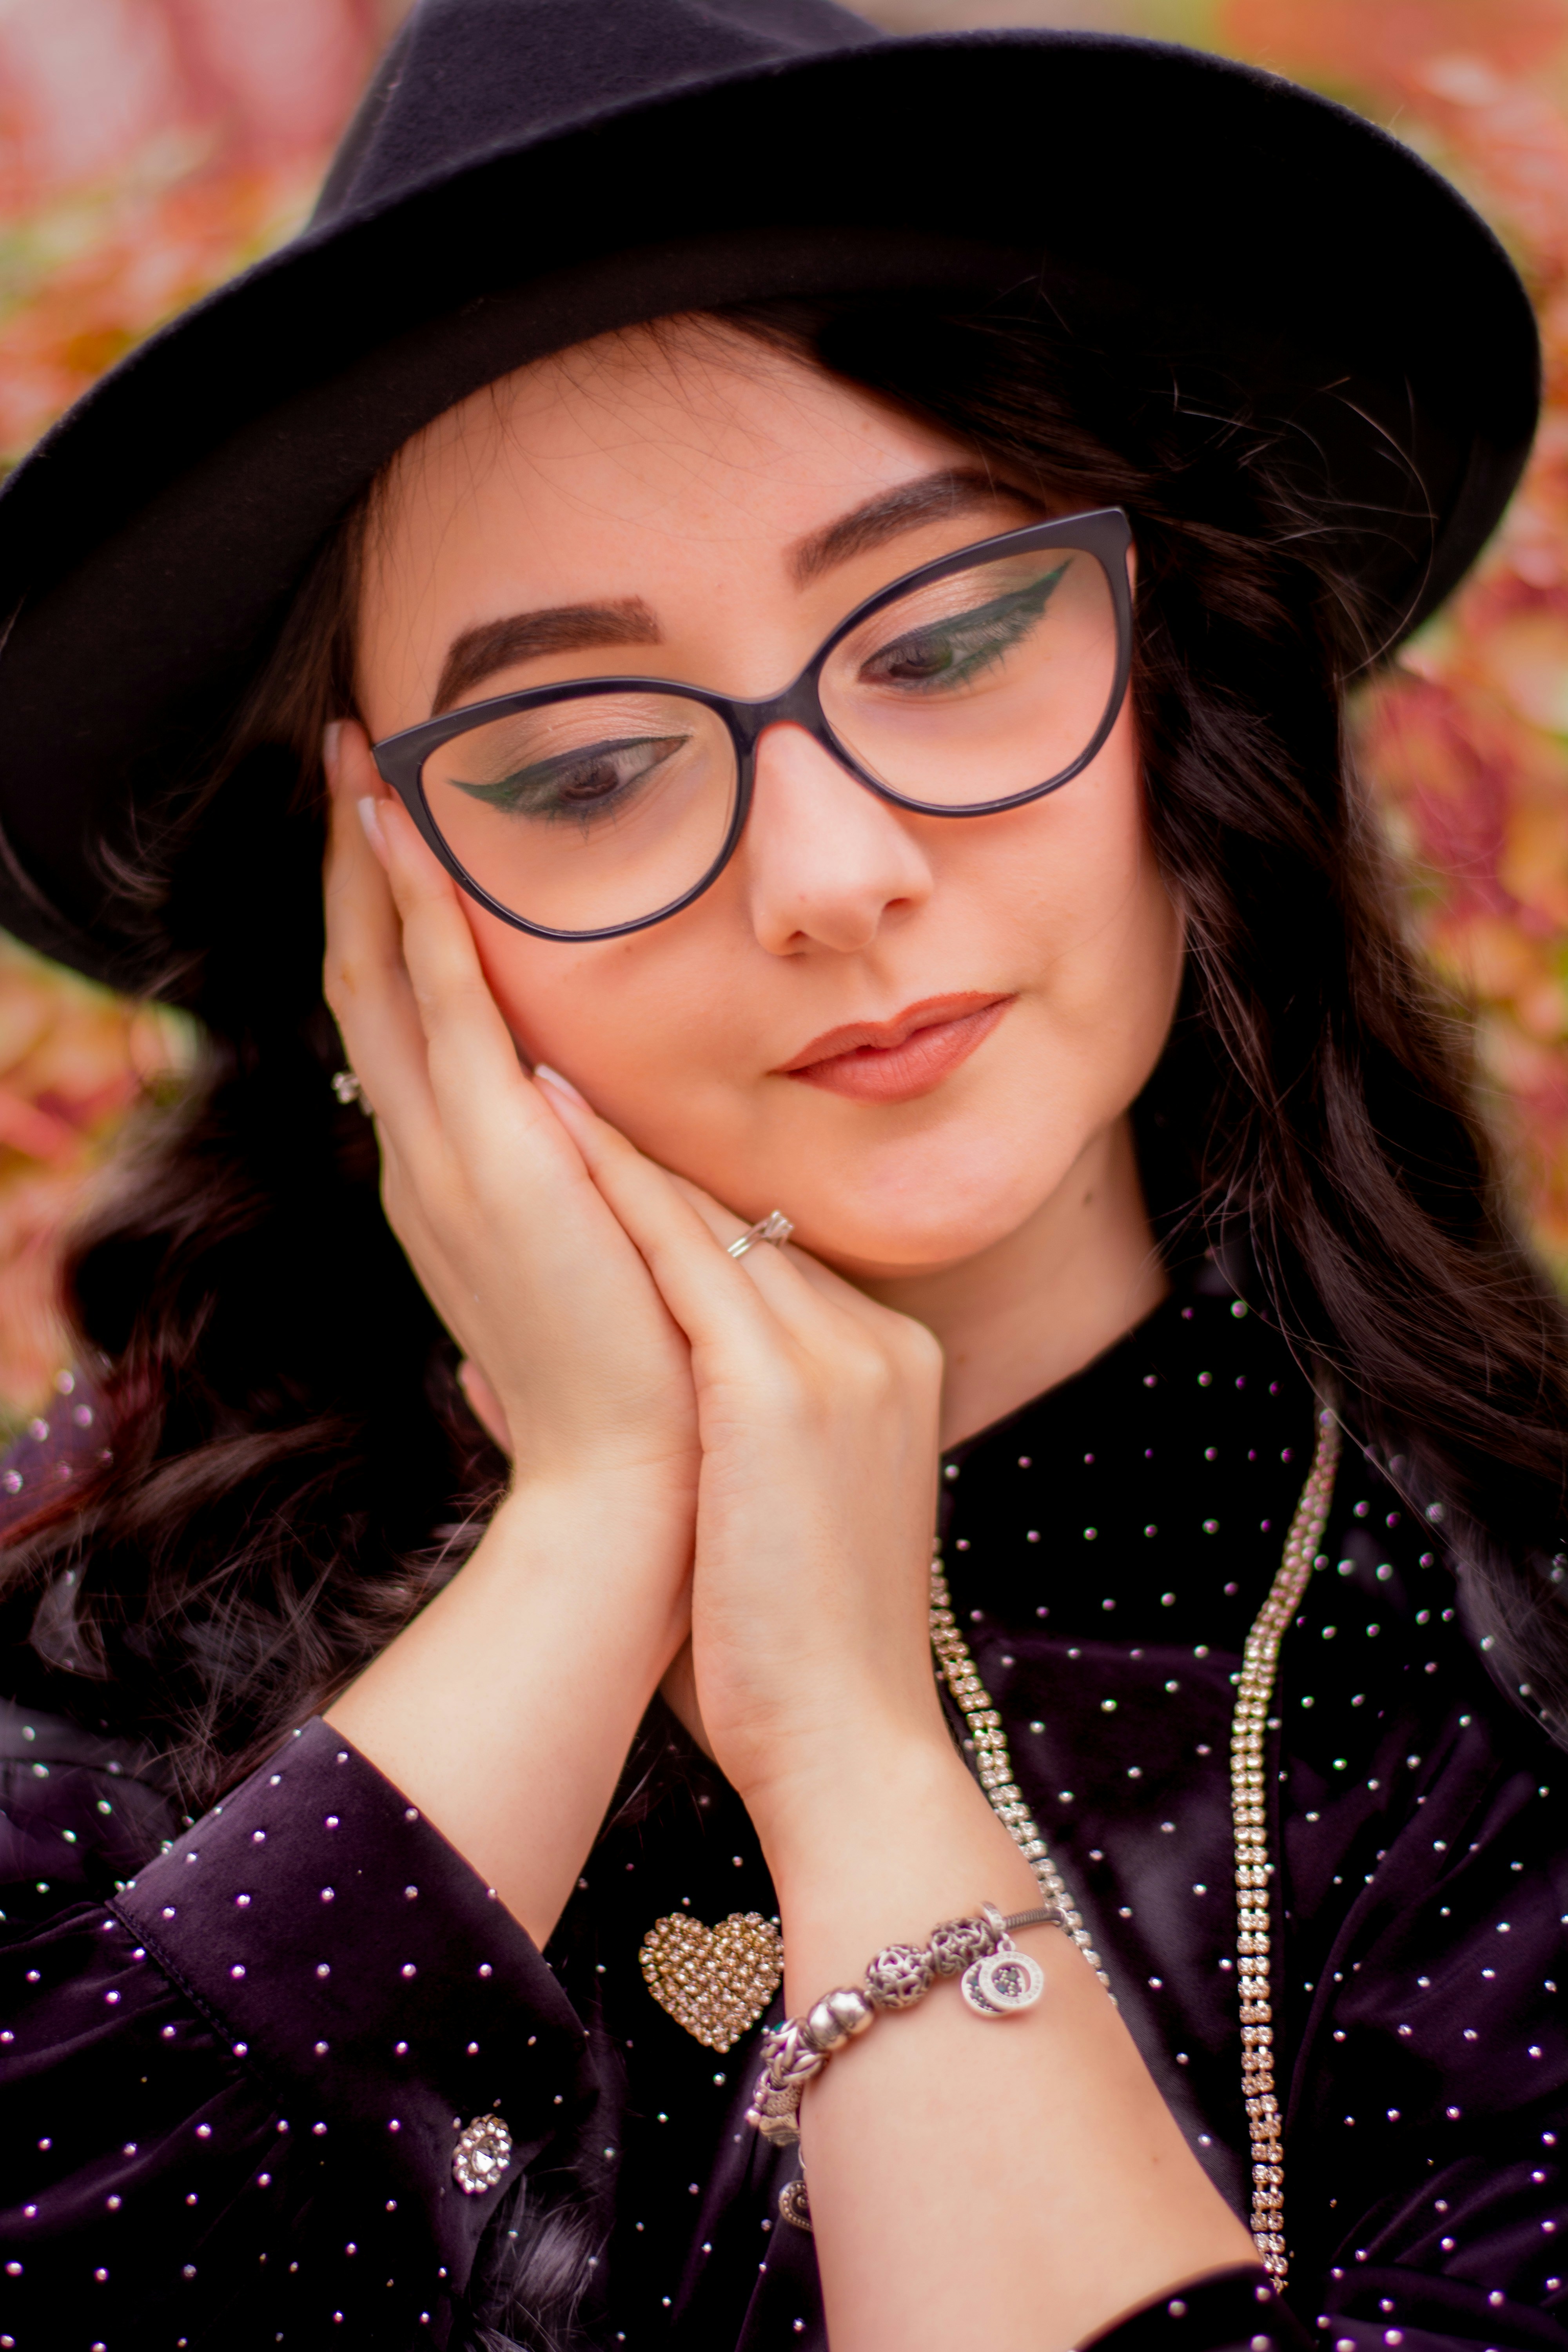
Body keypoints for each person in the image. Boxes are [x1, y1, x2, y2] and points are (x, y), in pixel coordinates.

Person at [0, 2, 1564, 2347]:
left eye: (942, 642)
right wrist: (599, 1521)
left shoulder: (1492, 1700)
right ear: (366, 918)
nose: (830, 874)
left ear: (1184, 688)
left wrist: (845, 1739)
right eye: (582, 765)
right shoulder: (115, 1600)